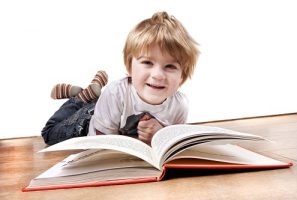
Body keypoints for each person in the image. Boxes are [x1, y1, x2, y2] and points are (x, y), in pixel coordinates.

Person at [41, 11, 199, 146]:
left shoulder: (180, 106)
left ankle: (92, 95)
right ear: (130, 67)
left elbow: (172, 144)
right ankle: (81, 98)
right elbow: (101, 145)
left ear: (182, 77)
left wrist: (160, 135)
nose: (158, 75)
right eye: (147, 62)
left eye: (170, 66)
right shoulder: (115, 93)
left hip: (109, 110)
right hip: (89, 120)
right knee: (49, 133)